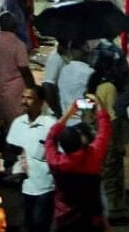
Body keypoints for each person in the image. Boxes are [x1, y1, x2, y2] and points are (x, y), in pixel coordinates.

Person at [45, 93, 112, 231]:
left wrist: (68, 113)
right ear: (82, 140)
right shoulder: (92, 156)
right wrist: (99, 104)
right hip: (91, 220)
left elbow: (50, 138)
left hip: (65, 220)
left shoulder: (56, 162)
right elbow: (105, 130)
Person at [7, 87, 58, 232]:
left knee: (40, 227)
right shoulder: (17, 123)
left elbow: (58, 156)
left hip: (45, 188)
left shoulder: (50, 125)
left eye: (29, 98)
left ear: (40, 102)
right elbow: (10, 151)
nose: (24, 101)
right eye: (23, 97)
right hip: (23, 188)